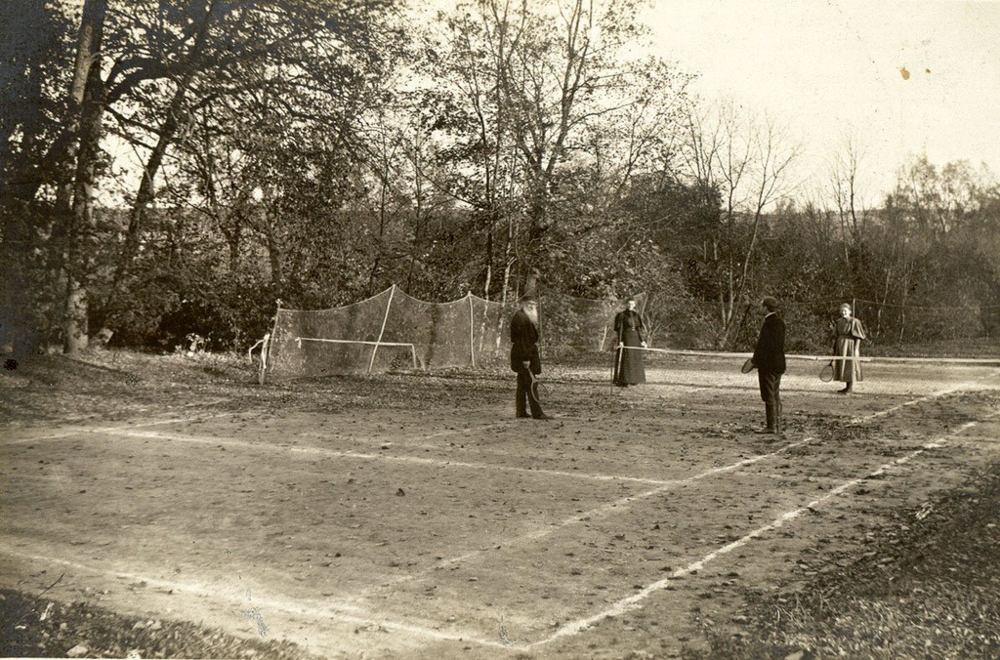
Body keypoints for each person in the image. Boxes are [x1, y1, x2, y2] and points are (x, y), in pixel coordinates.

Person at [510, 295, 550, 420]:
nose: (532, 306)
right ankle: (537, 413)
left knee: (522, 384)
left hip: (526, 352)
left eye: (534, 304)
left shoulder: (525, 317)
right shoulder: (521, 318)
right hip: (524, 354)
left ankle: (521, 411)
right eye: (529, 304)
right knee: (532, 384)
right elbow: (523, 340)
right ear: (522, 304)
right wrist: (526, 358)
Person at [751, 296, 786, 434]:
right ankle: (777, 424)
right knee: (775, 394)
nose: (760, 308)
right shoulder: (780, 322)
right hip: (778, 364)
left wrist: (756, 360)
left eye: (761, 306)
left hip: (769, 365)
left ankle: (771, 426)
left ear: (766, 307)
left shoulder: (770, 323)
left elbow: (765, 346)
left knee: (769, 395)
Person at [831, 302, 866, 394]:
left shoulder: (855, 321)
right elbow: (836, 336)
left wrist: (856, 349)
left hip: (850, 345)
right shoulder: (839, 322)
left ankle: (850, 388)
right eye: (842, 311)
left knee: (850, 365)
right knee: (843, 365)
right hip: (840, 345)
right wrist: (834, 349)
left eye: (845, 311)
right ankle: (846, 387)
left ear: (850, 311)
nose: (843, 312)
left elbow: (858, 337)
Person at [613, 297, 647, 386]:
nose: (630, 306)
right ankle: (624, 380)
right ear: (626, 304)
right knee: (627, 358)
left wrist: (642, 341)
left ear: (634, 305)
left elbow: (638, 329)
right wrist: (620, 341)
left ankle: (634, 379)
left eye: (632, 304)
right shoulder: (621, 315)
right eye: (628, 304)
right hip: (626, 337)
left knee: (635, 358)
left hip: (635, 338)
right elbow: (620, 329)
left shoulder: (636, 315)